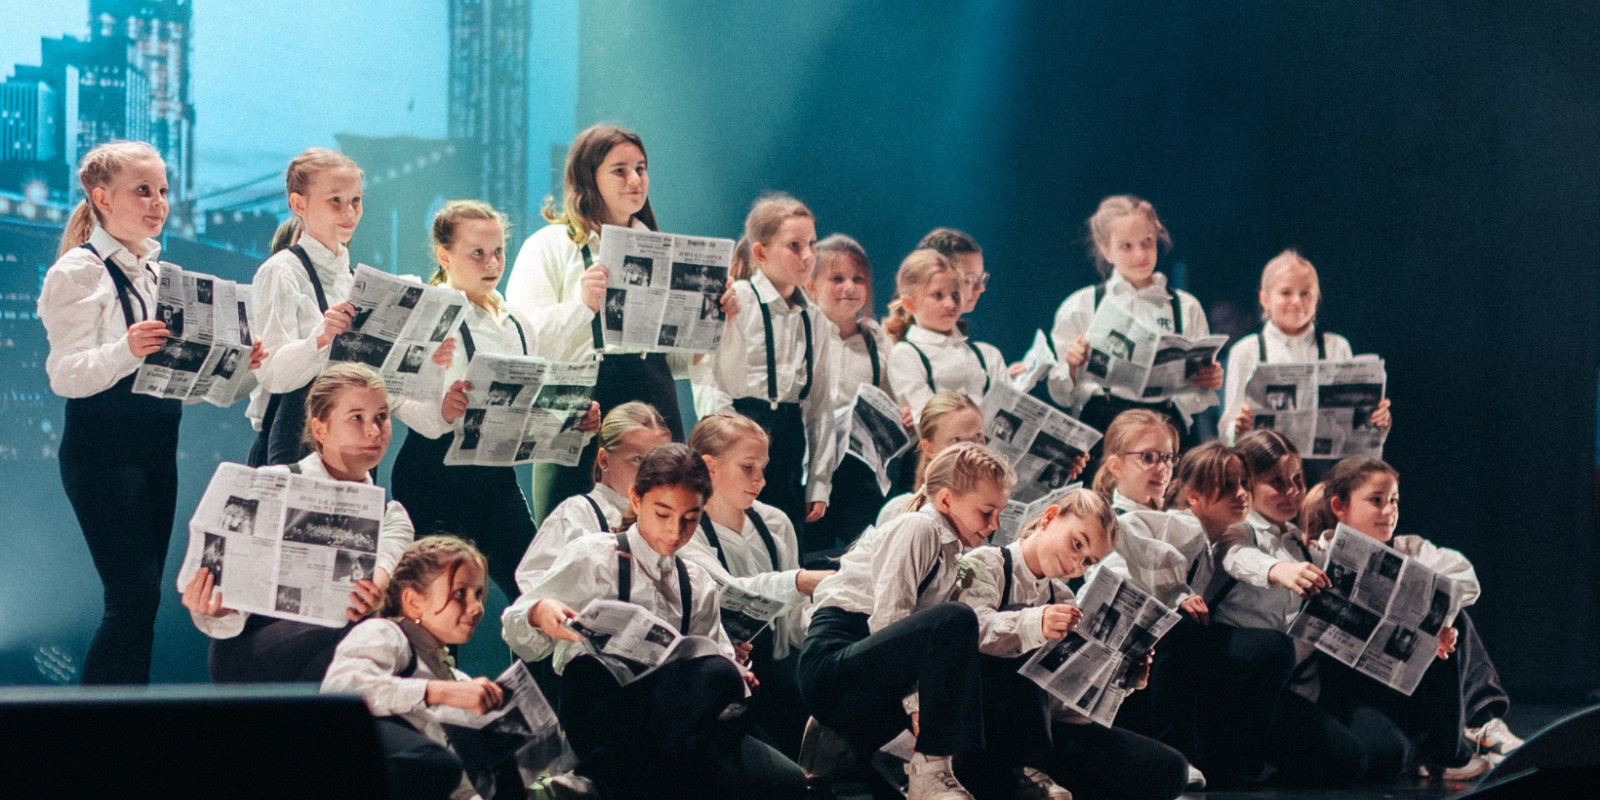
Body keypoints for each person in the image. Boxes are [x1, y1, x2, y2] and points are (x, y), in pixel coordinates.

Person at [41, 140, 260, 684]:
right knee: (130, 599)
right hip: (102, 452)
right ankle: (101, 728)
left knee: (143, 604)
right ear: (102, 198)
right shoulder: (78, 271)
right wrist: (126, 349)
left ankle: (123, 721)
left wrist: (240, 366)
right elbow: (64, 374)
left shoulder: (163, 275)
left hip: (157, 450)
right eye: (143, 190)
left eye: (163, 190)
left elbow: (189, 386)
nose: (158, 202)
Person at [501, 444, 807, 799]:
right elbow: (514, 625)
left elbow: (714, 659)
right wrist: (540, 612)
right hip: (605, 713)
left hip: (678, 724)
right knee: (714, 684)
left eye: (690, 518)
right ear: (636, 500)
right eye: (663, 514)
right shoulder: (595, 556)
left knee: (787, 779)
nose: (675, 531)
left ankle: (603, 781)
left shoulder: (696, 581)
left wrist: (741, 676)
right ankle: (598, 774)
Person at [505, 124, 738, 524]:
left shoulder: (659, 245)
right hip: (583, 407)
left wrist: (713, 321)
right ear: (588, 177)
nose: (635, 180)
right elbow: (521, 341)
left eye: (641, 169)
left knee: (663, 530)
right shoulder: (550, 246)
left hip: (654, 401)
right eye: (620, 170)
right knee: (572, 534)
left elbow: (677, 363)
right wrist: (581, 306)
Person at [389, 200, 599, 599]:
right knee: (437, 599)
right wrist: (440, 411)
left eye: (498, 251)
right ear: (445, 257)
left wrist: (575, 422)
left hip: (495, 480)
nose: (492, 262)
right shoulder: (427, 312)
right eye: (478, 253)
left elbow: (531, 409)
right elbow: (394, 395)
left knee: (534, 592)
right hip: (433, 478)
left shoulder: (517, 322)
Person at [796, 443, 1011, 800]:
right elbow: (889, 619)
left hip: (876, 669)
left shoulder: (952, 553)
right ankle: (932, 767)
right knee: (957, 618)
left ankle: (946, 771)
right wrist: (917, 707)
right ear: (946, 500)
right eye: (986, 512)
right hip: (836, 663)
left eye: (999, 514)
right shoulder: (918, 527)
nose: (994, 526)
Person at [182, 364, 414, 683]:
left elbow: (381, 576)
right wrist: (214, 607)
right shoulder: (271, 482)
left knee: (387, 634)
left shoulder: (392, 517)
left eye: (381, 417)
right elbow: (225, 595)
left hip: (340, 641)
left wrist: (373, 595)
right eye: (356, 417)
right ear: (320, 429)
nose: (373, 431)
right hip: (253, 649)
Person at [955, 488, 1189, 800]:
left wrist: (1124, 677)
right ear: (1049, 518)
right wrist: (1036, 622)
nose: (1077, 563)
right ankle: (1021, 771)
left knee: (1169, 769)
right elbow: (969, 631)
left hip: (1046, 729)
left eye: (1089, 561)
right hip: (986, 723)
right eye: (1077, 544)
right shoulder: (984, 562)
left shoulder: (1063, 597)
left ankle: (1042, 776)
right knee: (1019, 617)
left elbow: (1065, 705)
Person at [1301, 456, 1518, 780]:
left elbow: (1466, 579)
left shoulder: (1409, 548)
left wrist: (1426, 606)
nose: (1389, 510)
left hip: (1405, 684)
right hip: (1353, 689)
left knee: (1451, 622)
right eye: (1376, 500)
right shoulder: (1319, 554)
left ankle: (1458, 745)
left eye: (1394, 500)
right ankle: (1431, 744)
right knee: (1385, 755)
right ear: (1339, 506)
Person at [1110, 443, 1296, 790]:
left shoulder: (1218, 536)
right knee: (1182, 627)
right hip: (1136, 642)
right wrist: (1175, 592)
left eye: (1244, 484)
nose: (1241, 493)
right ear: (1194, 495)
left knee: (1265, 647)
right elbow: (1122, 530)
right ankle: (1174, 751)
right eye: (1227, 485)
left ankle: (1230, 761)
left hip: (1169, 647)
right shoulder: (1182, 524)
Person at [683, 412, 835, 756]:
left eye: (763, 468)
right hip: (725, 678)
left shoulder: (775, 522)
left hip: (779, 671)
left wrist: (826, 628)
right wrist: (799, 581)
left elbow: (794, 618)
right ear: (709, 467)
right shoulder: (688, 527)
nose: (761, 480)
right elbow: (731, 591)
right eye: (748, 467)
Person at [321, 535, 510, 800]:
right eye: (460, 593)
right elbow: (341, 691)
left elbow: (459, 787)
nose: (476, 607)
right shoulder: (386, 633)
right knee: (437, 765)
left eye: (479, 594)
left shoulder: (458, 680)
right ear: (413, 601)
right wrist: (439, 692)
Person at [1046, 196, 1221, 451]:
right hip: (1105, 426)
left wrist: (1207, 381)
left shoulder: (1185, 306)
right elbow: (1063, 395)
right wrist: (1072, 367)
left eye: (1147, 242)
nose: (1140, 254)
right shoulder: (1081, 305)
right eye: (1126, 246)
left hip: (1167, 426)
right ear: (1106, 250)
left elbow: (1195, 397)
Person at [711, 193, 838, 534]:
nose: (808, 255)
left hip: (788, 439)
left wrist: (819, 481)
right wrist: (724, 448)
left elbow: (820, 405)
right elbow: (711, 381)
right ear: (761, 252)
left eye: (812, 244)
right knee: (736, 537)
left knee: (784, 540)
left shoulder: (814, 318)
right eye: (794, 246)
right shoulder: (737, 301)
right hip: (740, 429)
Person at [1221, 249, 1392, 480]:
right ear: (1265, 299)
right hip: (1264, 474)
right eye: (1286, 292)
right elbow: (1227, 427)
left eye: (1305, 293)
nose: (1296, 301)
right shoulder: (1245, 351)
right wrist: (1238, 429)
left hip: (1326, 476)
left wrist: (1376, 422)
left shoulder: (1336, 346)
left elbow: (1354, 430)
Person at [246, 148, 366, 466]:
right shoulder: (280, 271)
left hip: (354, 442)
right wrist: (321, 337)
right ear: (299, 205)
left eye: (355, 200)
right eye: (335, 200)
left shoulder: (355, 279)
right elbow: (271, 373)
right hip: (296, 442)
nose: (349, 211)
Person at [805, 234, 907, 550]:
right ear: (811, 286)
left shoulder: (875, 339)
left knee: (863, 546)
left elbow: (896, 394)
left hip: (859, 470)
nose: (849, 287)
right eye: (837, 278)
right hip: (810, 460)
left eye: (858, 279)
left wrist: (903, 412)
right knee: (812, 545)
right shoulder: (803, 332)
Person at [512, 401, 673, 594]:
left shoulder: (675, 518)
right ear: (604, 460)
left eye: (659, 461)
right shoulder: (577, 513)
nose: (650, 472)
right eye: (638, 459)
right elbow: (534, 580)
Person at [884, 249, 1007, 425]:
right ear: (909, 304)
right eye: (938, 295)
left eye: (955, 294)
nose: (950, 303)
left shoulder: (988, 354)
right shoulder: (906, 355)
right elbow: (928, 422)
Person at [875, 392, 985, 527]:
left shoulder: (993, 505)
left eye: (978, 436)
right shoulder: (898, 511)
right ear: (930, 448)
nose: (971, 448)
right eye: (956, 440)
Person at [1091, 409, 1182, 514]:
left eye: (1167, 457)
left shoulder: (1174, 511)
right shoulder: (1116, 521)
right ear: (1116, 466)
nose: (1163, 467)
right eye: (1148, 457)